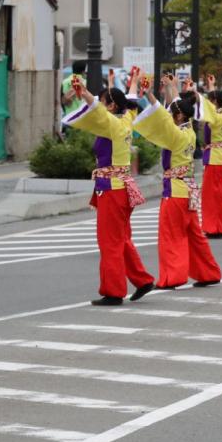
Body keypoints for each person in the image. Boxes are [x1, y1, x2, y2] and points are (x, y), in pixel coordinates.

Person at [63, 74, 156, 306]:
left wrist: (83, 92)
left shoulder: (113, 124)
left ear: (112, 106)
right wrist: (131, 80)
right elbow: (130, 99)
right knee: (121, 238)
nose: (102, 104)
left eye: (106, 101)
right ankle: (142, 280)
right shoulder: (127, 118)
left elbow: (97, 109)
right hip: (121, 188)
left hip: (113, 190)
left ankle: (114, 291)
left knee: (109, 242)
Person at [132, 75, 222, 288]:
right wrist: (170, 87)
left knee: (171, 236)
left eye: (174, 113)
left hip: (175, 191)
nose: (171, 115)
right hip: (189, 189)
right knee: (195, 236)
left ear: (180, 116)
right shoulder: (189, 130)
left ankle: (173, 277)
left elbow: (162, 116)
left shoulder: (175, 134)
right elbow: (173, 108)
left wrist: (149, 94)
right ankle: (209, 273)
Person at [198, 79, 222, 239]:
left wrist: (197, 92)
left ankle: (212, 227)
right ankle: (221, 226)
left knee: (210, 196)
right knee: (221, 195)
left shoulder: (216, 118)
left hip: (214, 158)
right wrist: (212, 87)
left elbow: (209, 109)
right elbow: (213, 106)